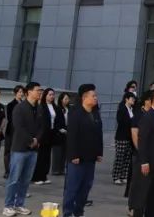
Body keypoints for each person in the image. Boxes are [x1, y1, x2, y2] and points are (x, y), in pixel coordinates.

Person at [4, 82, 44, 216]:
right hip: (20, 148)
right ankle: (8, 205)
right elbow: (18, 127)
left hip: (33, 149)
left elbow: (42, 127)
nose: (40, 92)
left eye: (40, 90)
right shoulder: (19, 108)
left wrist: (37, 139)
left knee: (26, 179)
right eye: (37, 90)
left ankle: (19, 204)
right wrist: (30, 140)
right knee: (14, 178)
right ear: (29, 92)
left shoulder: (39, 108)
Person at [63, 84, 103, 217]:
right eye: (93, 96)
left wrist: (99, 152)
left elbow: (99, 134)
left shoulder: (95, 113)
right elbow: (72, 136)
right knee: (72, 187)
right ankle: (67, 213)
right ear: (84, 98)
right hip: (77, 158)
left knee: (86, 187)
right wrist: (74, 154)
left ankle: (79, 212)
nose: (96, 98)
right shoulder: (76, 113)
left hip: (90, 158)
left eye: (96, 96)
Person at [130, 89, 154, 217]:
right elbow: (143, 141)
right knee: (142, 197)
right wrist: (144, 161)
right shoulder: (148, 117)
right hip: (148, 165)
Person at [32, 88, 57, 184]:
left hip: (51, 133)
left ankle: (44, 175)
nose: (52, 96)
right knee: (40, 156)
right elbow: (39, 122)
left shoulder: (54, 106)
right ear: (45, 96)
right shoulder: (41, 106)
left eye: (53, 94)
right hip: (43, 134)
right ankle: (37, 176)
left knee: (47, 156)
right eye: (50, 94)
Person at [114, 92, 136, 185]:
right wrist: (131, 121)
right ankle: (116, 176)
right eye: (132, 99)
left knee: (127, 158)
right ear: (126, 99)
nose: (133, 100)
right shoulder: (122, 108)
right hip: (122, 136)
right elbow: (120, 121)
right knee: (120, 157)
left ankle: (123, 176)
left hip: (130, 137)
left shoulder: (132, 110)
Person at [4, 86, 25, 179]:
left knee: (18, 151)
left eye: (22, 92)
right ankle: (7, 171)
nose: (21, 94)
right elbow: (10, 118)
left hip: (22, 131)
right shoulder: (11, 104)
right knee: (8, 151)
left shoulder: (25, 104)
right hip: (11, 131)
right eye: (19, 92)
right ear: (15, 93)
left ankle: (17, 171)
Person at [52, 92, 72, 176]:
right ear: (61, 99)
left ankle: (62, 169)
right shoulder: (57, 108)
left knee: (64, 151)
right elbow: (55, 121)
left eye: (68, 99)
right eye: (65, 99)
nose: (67, 100)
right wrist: (60, 129)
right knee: (57, 152)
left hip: (67, 131)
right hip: (59, 132)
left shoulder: (69, 108)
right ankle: (55, 169)